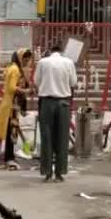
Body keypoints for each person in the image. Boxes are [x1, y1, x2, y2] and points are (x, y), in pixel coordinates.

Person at [35, 41, 77, 182]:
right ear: (62, 51)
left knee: (46, 137)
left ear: (51, 50)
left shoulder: (42, 62)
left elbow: (37, 81)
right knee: (62, 138)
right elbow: (73, 83)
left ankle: (47, 172)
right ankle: (59, 173)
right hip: (63, 103)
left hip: (46, 102)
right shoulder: (68, 62)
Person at [0, 48, 33, 170]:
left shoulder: (12, 68)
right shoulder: (15, 70)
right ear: (19, 58)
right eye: (25, 59)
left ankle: (10, 156)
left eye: (28, 60)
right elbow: (12, 88)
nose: (26, 62)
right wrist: (25, 90)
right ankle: (9, 158)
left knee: (11, 132)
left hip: (10, 105)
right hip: (10, 107)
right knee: (10, 133)